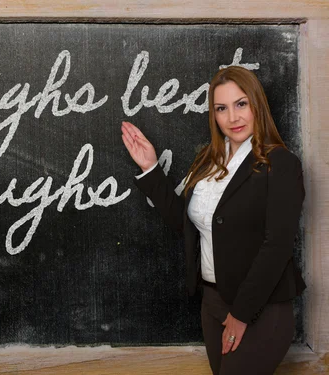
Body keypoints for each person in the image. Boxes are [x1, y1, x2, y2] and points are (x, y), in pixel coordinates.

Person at [121, 66, 306, 375]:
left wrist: (241, 314)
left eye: (241, 104)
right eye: (222, 108)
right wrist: (151, 168)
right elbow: (188, 227)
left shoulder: (280, 164)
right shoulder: (208, 162)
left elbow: (278, 245)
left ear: (257, 105)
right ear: (214, 114)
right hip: (213, 303)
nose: (232, 117)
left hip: (260, 309)